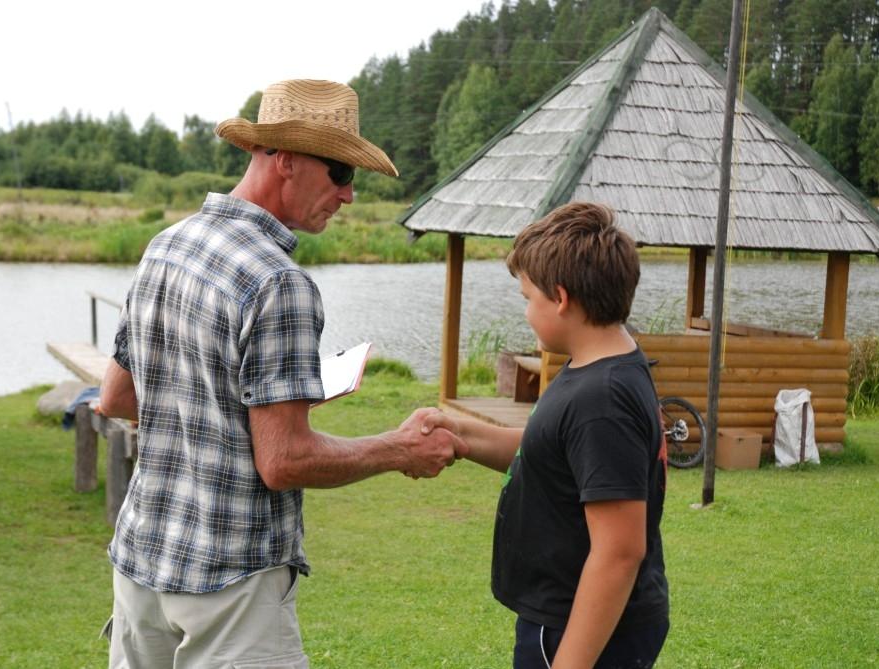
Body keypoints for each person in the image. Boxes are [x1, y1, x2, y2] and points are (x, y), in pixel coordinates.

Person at [98, 79, 466, 669]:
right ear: (285, 161)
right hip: (232, 583)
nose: (348, 196)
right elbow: (285, 462)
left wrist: (255, 403)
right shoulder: (280, 283)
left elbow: (118, 396)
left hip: (142, 564)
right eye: (342, 173)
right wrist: (397, 449)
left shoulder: (167, 245)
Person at [421, 202, 669, 668]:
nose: (527, 313)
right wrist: (461, 433)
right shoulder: (597, 366)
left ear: (560, 297)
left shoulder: (603, 400)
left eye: (527, 298)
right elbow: (552, 451)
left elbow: (619, 553)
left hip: (584, 630)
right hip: (571, 618)